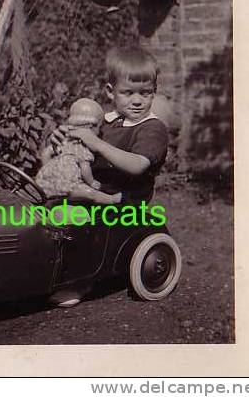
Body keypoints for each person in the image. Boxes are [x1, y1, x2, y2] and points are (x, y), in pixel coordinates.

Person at [46, 46, 169, 307]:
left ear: (153, 93)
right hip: (97, 188)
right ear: (111, 92)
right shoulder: (108, 120)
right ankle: (48, 266)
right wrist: (58, 140)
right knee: (47, 209)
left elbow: (137, 165)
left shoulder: (152, 128)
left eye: (145, 93)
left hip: (126, 200)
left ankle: (80, 279)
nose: (137, 100)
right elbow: (79, 147)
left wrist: (97, 144)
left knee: (78, 223)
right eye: (128, 92)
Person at [37, 98, 122, 204]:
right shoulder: (82, 145)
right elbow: (85, 167)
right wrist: (92, 182)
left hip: (46, 181)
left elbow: (46, 153)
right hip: (68, 183)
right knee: (89, 193)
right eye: (100, 128)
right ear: (92, 126)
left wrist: (51, 170)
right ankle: (111, 199)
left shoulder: (65, 138)